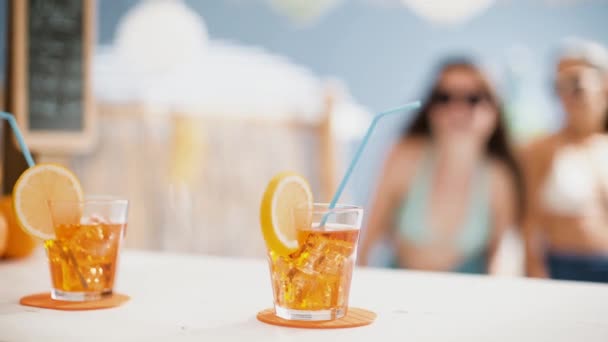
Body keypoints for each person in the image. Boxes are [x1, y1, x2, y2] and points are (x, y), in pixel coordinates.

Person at [358, 58, 522, 274]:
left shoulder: (499, 177)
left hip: (468, 294)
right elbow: (368, 237)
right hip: (402, 287)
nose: (457, 108)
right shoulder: (404, 157)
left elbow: (500, 255)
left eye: (473, 98)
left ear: (494, 109)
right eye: (444, 97)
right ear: (430, 108)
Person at [521, 39, 608, 282]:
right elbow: (529, 221)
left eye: (575, 83)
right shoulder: (540, 149)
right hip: (565, 268)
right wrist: (537, 275)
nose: (567, 94)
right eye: (558, 85)